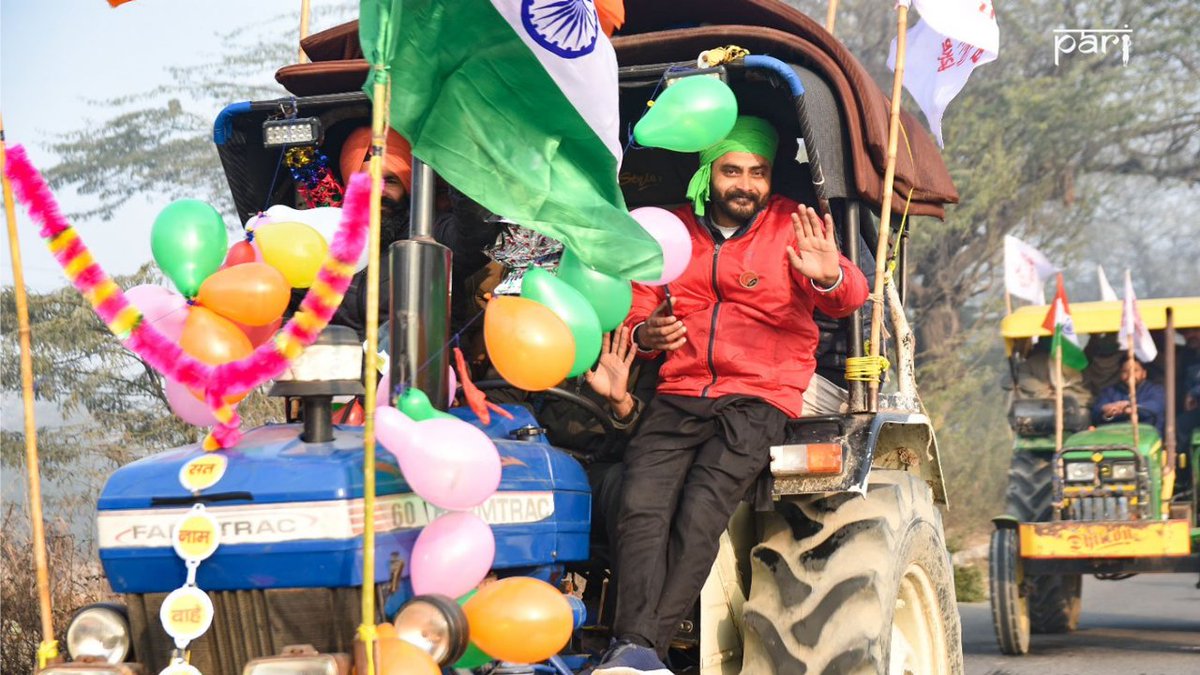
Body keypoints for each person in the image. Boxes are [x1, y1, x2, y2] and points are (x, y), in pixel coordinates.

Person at [594, 116, 869, 674]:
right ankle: (637, 650)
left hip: (760, 394)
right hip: (679, 390)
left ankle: (637, 648)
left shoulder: (795, 224)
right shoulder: (669, 229)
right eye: (732, 171)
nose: (745, 183)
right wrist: (647, 335)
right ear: (708, 174)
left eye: (758, 172)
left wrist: (825, 277)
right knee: (639, 505)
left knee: (701, 512)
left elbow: (849, 297)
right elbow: (639, 305)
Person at [331, 125, 500, 338]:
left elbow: (475, 236)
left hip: (424, 368)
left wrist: (459, 161)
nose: (378, 191)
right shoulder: (328, 238)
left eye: (390, 180)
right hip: (341, 368)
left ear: (408, 185)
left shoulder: (432, 231)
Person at [1092, 358, 1167, 436]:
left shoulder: (1155, 389)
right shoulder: (1110, 391)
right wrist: (1106, 409)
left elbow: (1156, 406)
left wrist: (1129, 408)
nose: (1130, 374)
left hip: (1146, 437)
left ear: (1144, 373)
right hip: (1115, 436)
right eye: (1125, 371)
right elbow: (1096, 411)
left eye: (1135, 370)